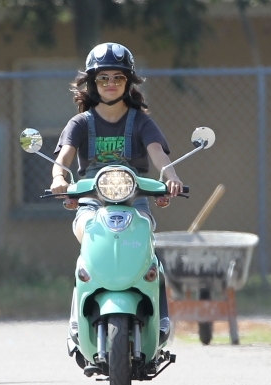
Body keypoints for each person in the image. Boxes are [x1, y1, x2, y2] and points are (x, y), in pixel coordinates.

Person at [50, 42, 182, 342]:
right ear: (93, 83)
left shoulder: (142, 122)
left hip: (135, 203)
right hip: (92, 204)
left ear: (128, 82)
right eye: (103, 78)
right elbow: (62, 161)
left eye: (118, 77)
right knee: (86, 247)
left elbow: (158, 155)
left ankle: (160, 317)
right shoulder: (80, 123)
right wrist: (60, 179)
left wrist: (170, 177)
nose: (110, 84)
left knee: (150, 253)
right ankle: (76, 317)